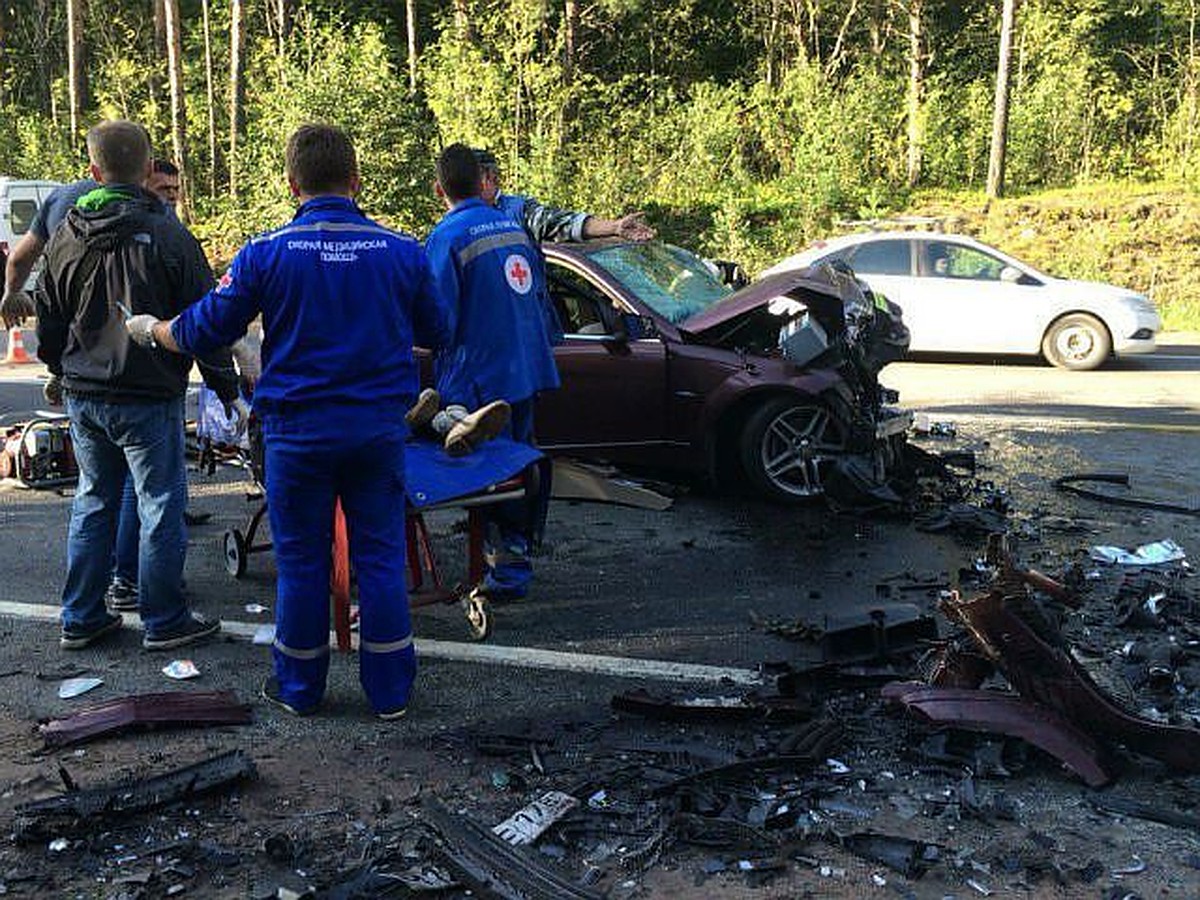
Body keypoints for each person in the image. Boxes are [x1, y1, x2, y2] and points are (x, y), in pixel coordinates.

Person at [125, 124, 451, 719]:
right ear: (355, 181)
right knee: (380, 558)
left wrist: (150, 330)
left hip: (298, 435)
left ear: (292, 184)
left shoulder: (267, 252)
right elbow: (439, 332)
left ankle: (299, 688)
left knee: (303, 560)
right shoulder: (403, 252)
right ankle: (390, 693)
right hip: (376, 432)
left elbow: (203, 329)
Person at [36, 120, 234, 651]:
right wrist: (227, 387)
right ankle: (164, 618)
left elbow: (48, 318)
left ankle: (80, 615)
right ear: (149, 170)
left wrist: (59, 369)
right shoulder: (170, 234)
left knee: (94, 500)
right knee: (159, 504)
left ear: (94, 171)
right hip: (148, 392)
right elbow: (205, 321)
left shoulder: (66, 234)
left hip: (86, 392)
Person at [425, 144, 560, 602]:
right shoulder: (512, 227)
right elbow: (538, 298)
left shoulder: (448, 237)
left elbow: (437, 320)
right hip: (526, 366)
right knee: (520, 464)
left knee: (493, 474)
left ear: (439, 188)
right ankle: (515, 556)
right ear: (483, 182)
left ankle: (505, 571)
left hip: (482, 375)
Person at [2, 176, 97, 328]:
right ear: (147, 167)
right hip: (125, 329)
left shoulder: (61, 197)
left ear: (94, 169)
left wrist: (12, 292)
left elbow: (19, 258)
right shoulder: (144, 201)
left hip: (67, 322)